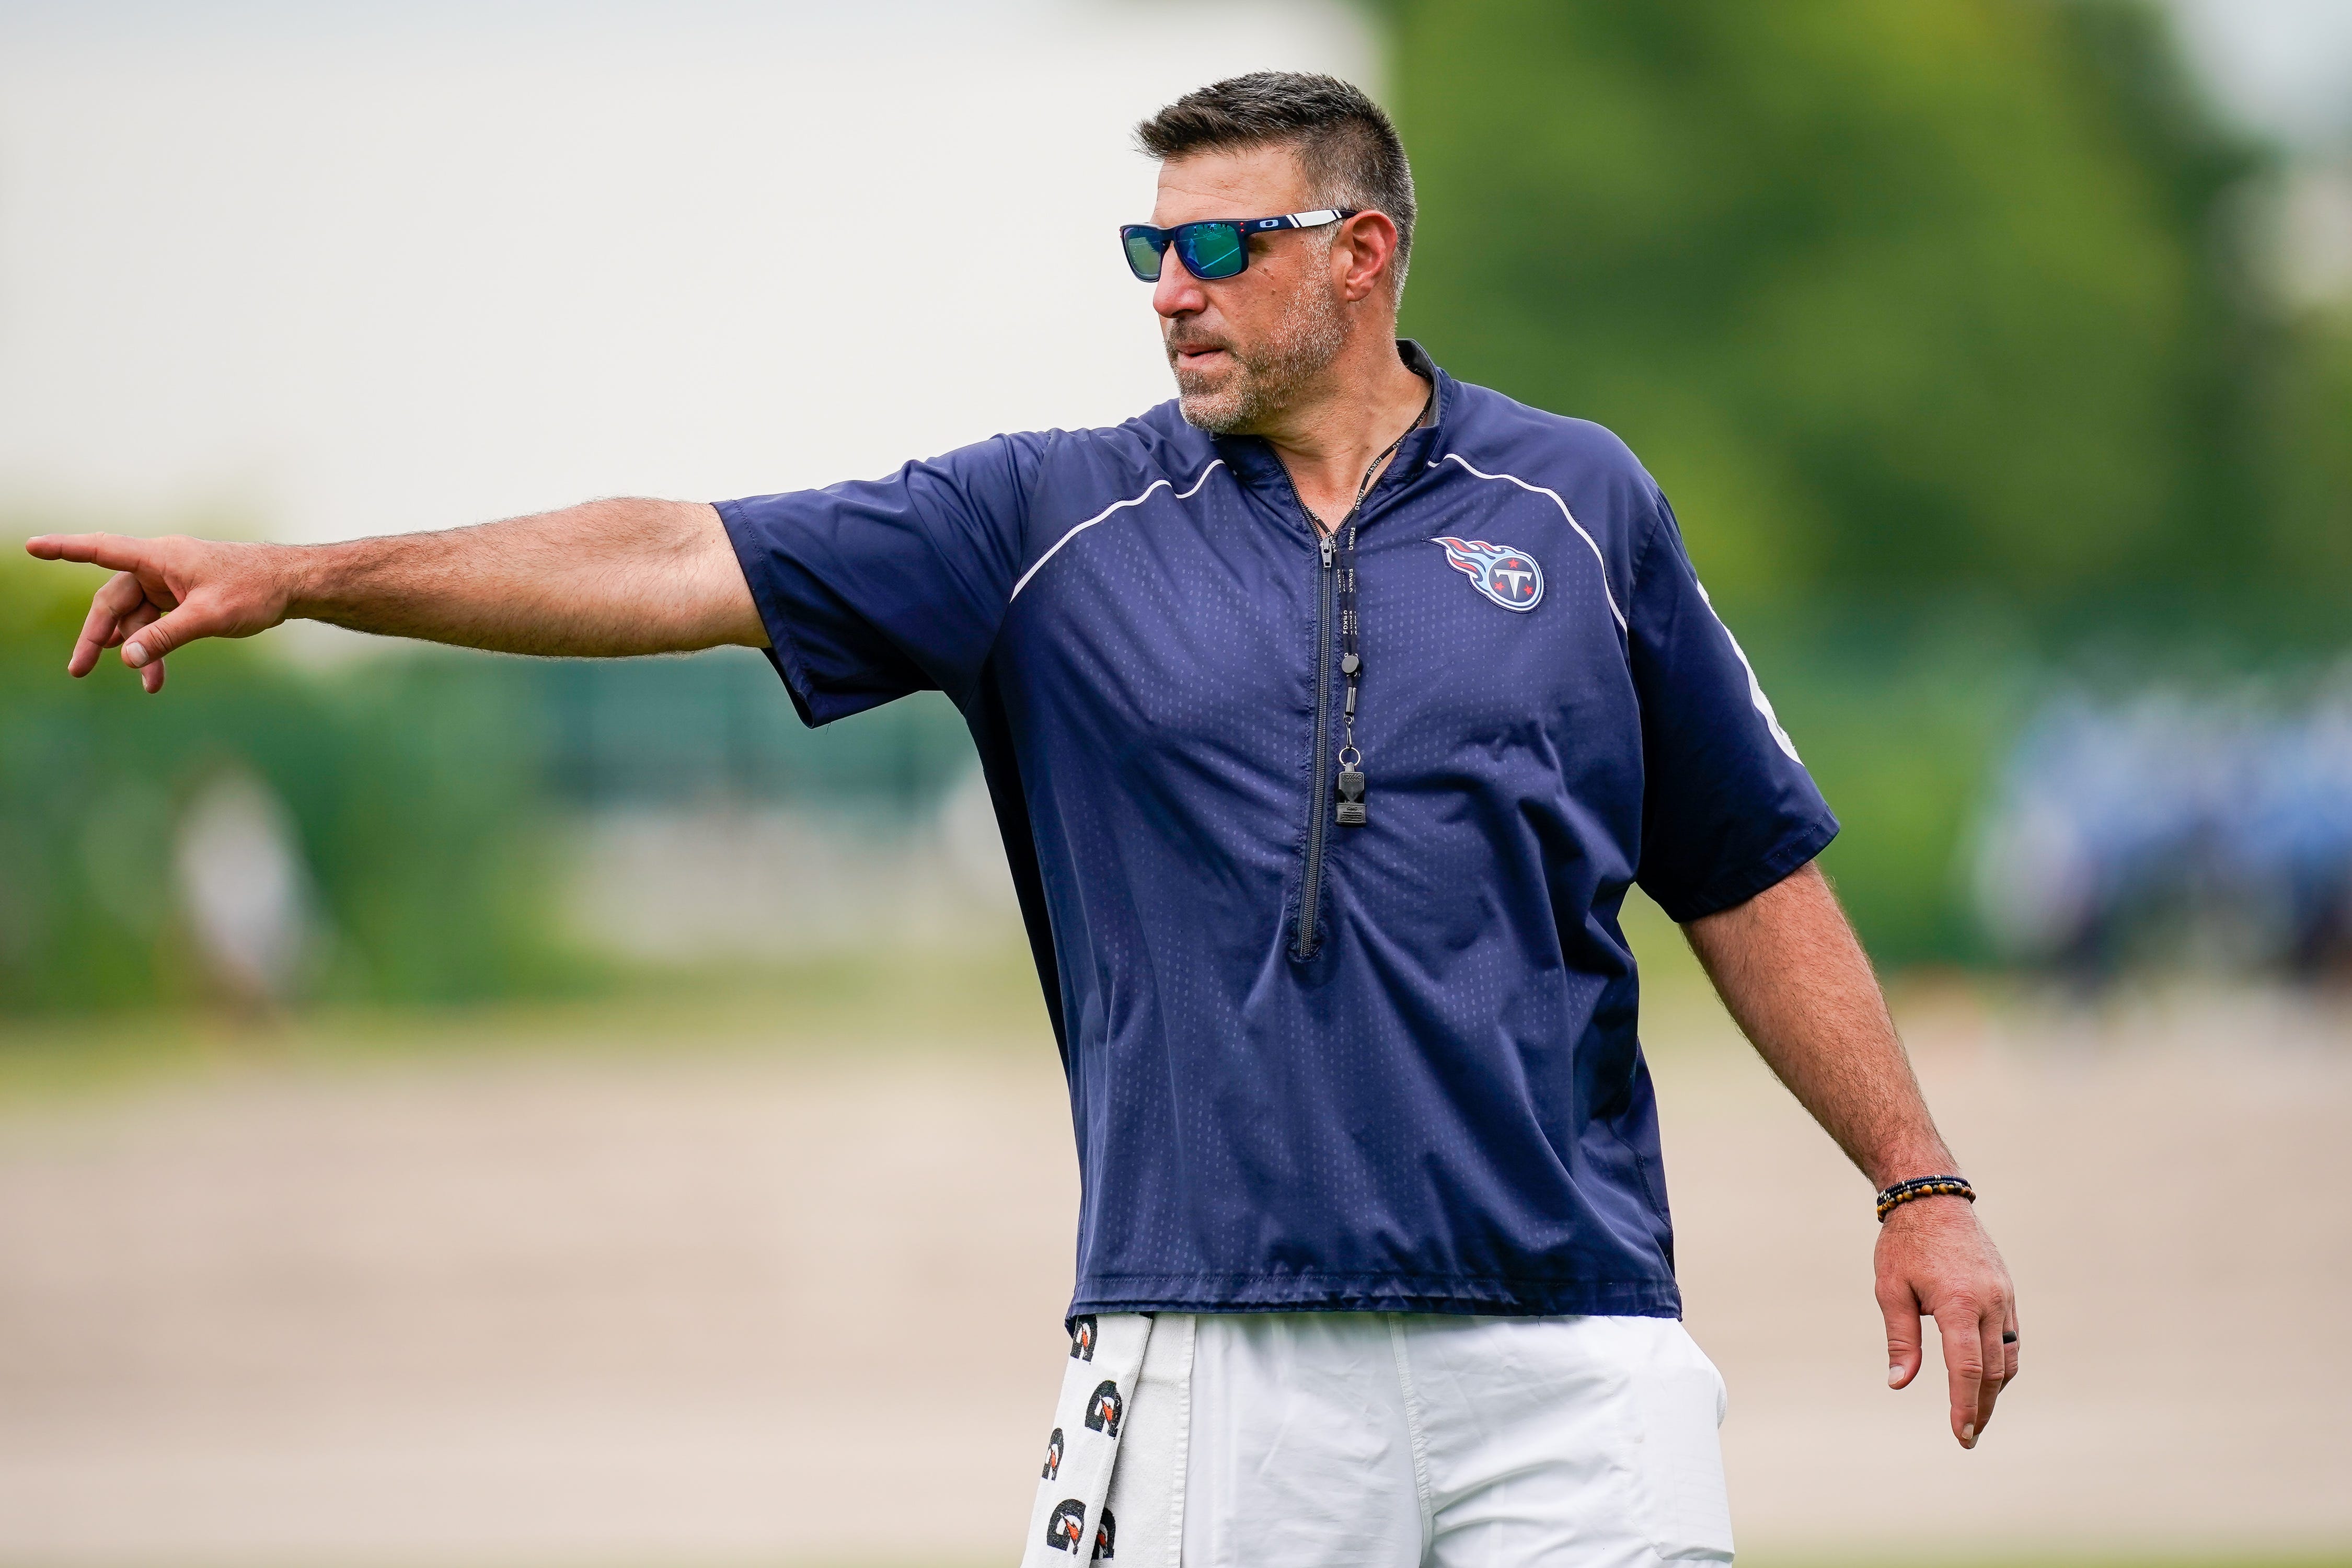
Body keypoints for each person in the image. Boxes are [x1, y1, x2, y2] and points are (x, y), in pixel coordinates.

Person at [28, 71, 2015, 1568]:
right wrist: (308, 577)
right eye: (1148, 254)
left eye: (1219, 249)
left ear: (1361, 255)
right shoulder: (1041, 524)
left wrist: (1914, 1182)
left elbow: (1745, 868)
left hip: (1572, 1350)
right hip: (1216, 1358)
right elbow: (664, 555)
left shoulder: (1580, 508)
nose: (1171, 293)